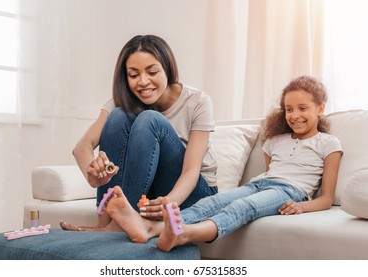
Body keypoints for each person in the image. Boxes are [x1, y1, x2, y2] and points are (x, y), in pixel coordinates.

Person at [105, 75, 343, 251]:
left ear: (321, 108)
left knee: (243, 207)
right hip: (259, 184)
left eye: (303, 108)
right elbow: (269, 175)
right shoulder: (274, 141)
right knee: (212, 201)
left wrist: (301, 206)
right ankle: (149, 228)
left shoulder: (328, 143)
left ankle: (185, 234)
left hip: (290, 191)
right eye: (289, 109)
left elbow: (326, 199)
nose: (294, 115)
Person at [60, 35, 218, 231]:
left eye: (152, 72)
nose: (143, 82)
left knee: (149, 119)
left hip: (193, 195)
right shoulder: (124, 101)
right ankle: (106, 220)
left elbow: (191, 171)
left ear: (167, 69)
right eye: (133, 75)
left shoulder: (198, 101)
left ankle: (118, 225)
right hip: (149, 196)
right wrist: (93, 175)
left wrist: (169, 202)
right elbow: (81, 148)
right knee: (118, 115)